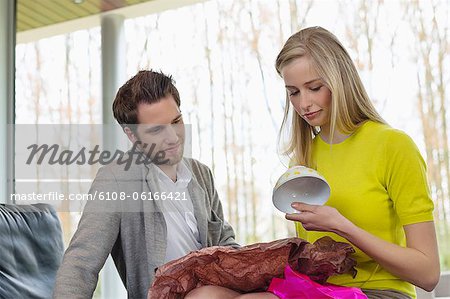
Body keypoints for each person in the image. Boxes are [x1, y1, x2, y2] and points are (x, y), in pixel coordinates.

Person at [187, 26, 440, 299]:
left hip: (379, 291)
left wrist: (342, 227)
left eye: (314, 88)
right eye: (293, 92)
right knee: (204, 296)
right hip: (318, 290)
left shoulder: (393, 146)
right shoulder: (305, 159)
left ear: (340, 81)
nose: (304, 103)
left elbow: (428, 274)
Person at [53, 70, 239, 299]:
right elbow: (81, 264)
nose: (172, 137)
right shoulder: (116, 181)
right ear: (132, 135)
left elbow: (227, 245)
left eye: (176, 121)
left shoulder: (201, 174)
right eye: (156, 129)